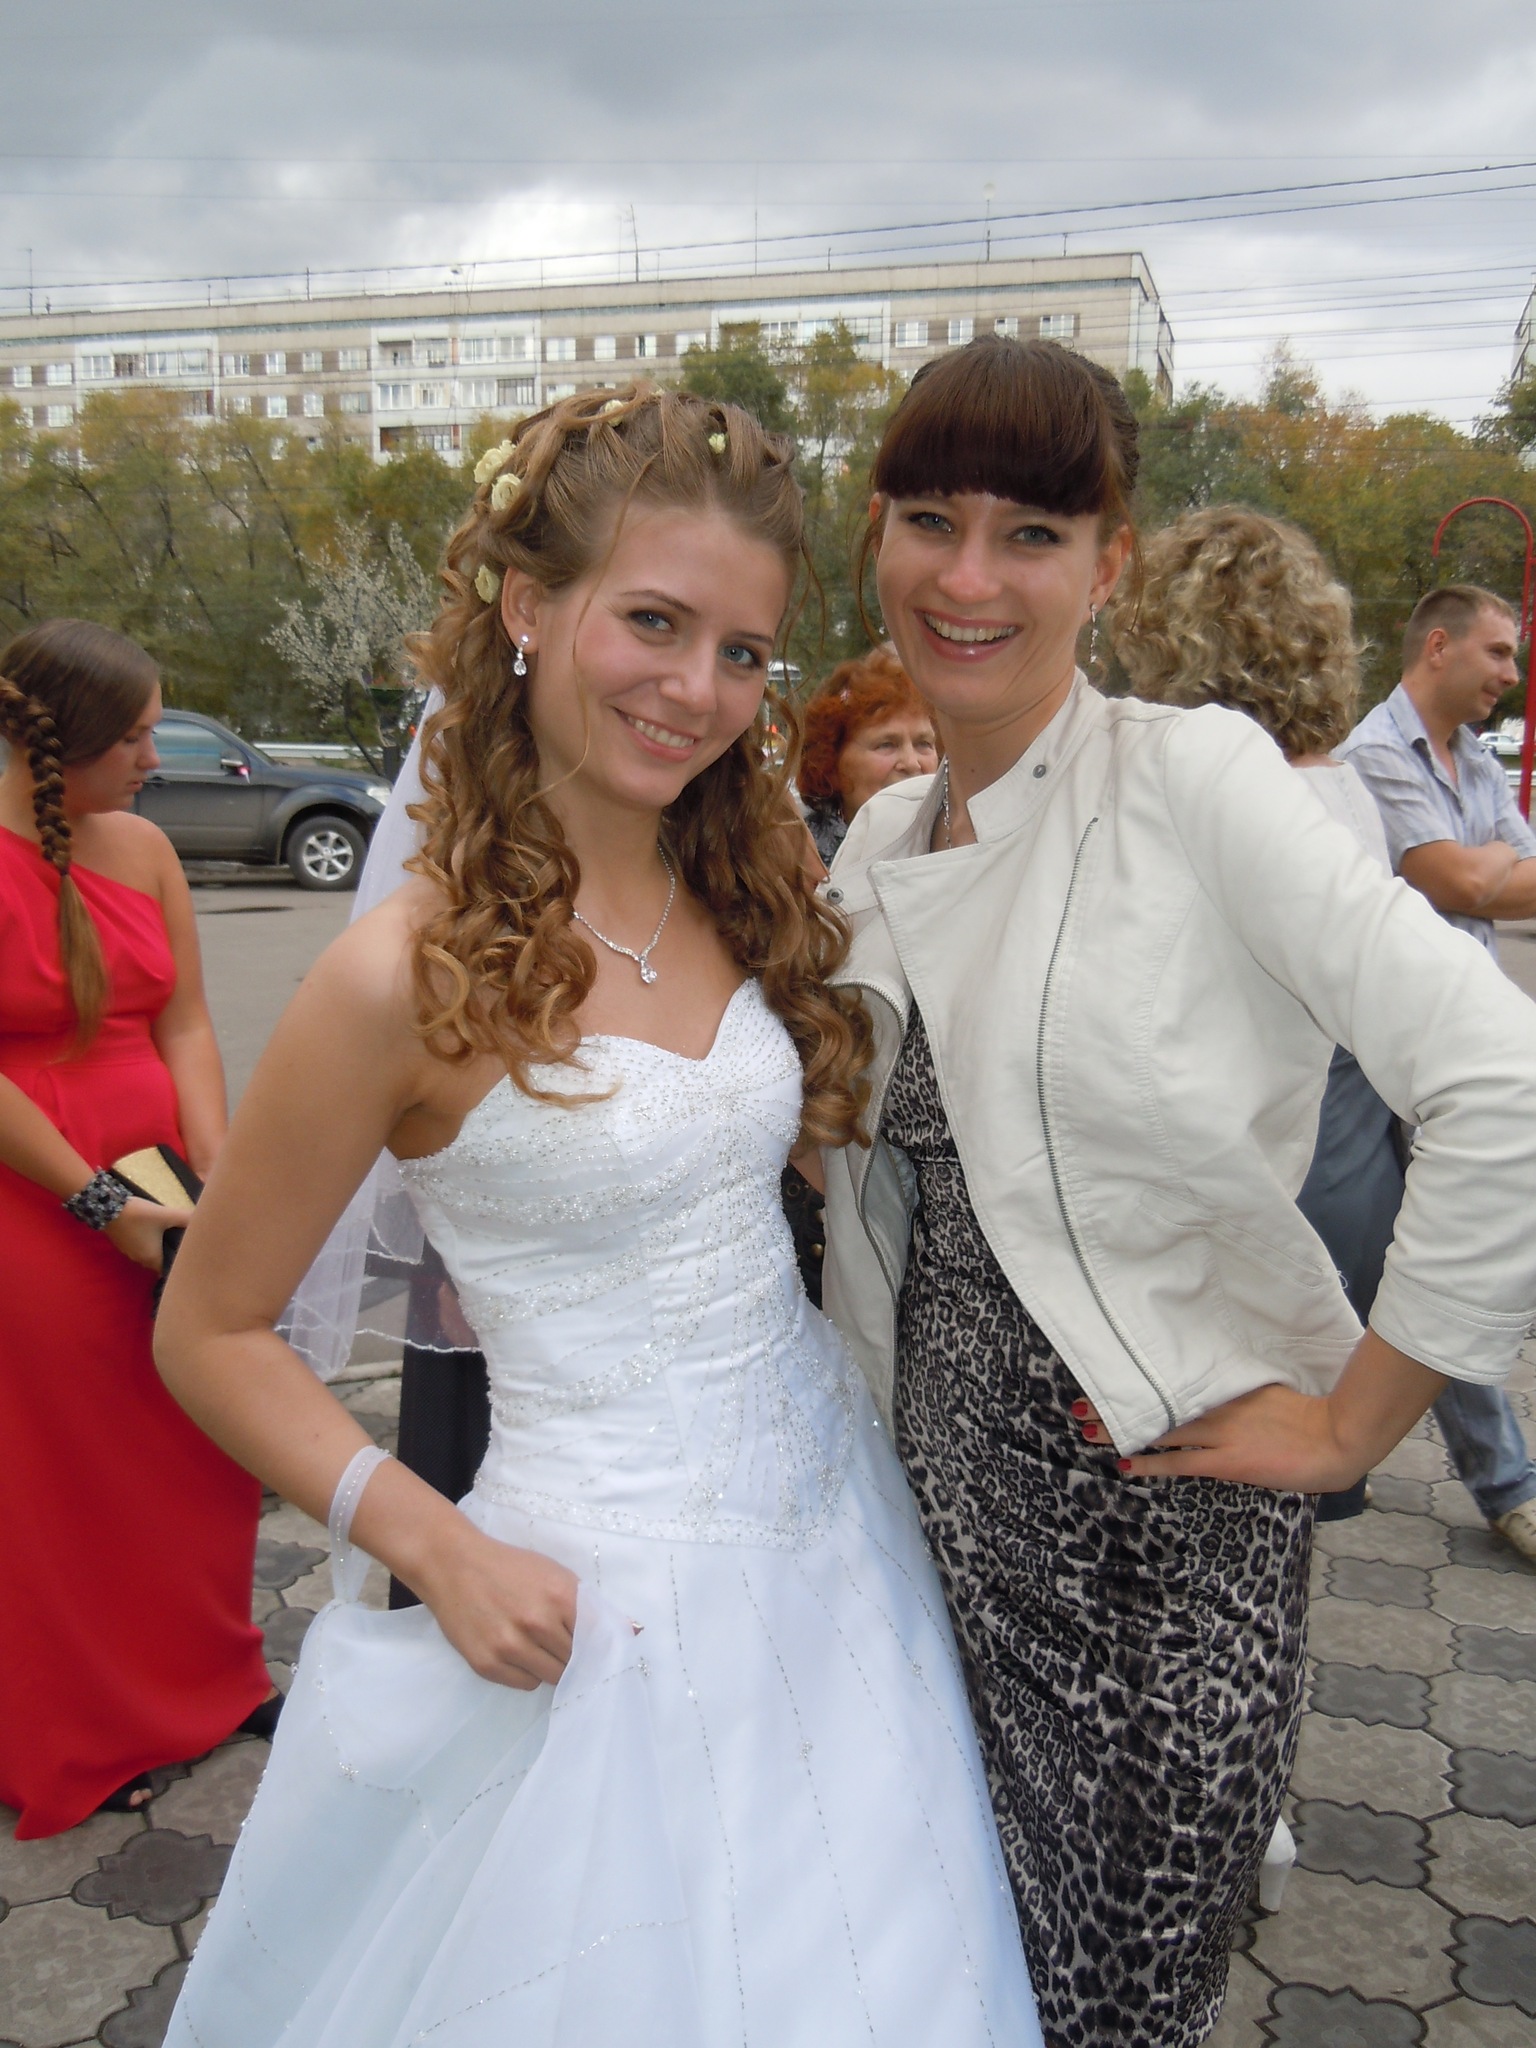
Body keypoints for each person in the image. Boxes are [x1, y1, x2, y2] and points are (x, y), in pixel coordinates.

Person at [153, 387, 1042, 2046]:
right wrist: (432, 1543)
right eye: (652, 621)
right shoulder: (396, 977)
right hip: (590, 1595)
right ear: (525, 604)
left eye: (742, 651)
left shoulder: (747, 887)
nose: (696, 688)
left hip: (839, 1538)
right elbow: (206, 1330)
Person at [818, 337, 1536, 2048]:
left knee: (1107, 2004)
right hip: (928, 1538)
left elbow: (1500, 1080)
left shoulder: (1190, 776)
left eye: (1033, 533)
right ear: (877, 537)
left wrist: (1357, 1424)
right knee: (946, 1986)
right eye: (931, 521)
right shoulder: (878, 843)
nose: (970, 578)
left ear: (1109, 565)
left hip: (1154, 1541)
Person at [0, 620, 273, 1840]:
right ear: (51, 746)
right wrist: (100, 1201)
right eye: (135, 737)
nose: (156, 758)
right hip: (33, 1200)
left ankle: (212, 1679)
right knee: (65, 1471)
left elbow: (186, 1021)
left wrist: (216, 1171)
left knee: (197, 1437)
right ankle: (79, 1727)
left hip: (166, 1173)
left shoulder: (148, 847)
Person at [1116, 504, 1404, 1522]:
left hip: (1266, 1201)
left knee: (1227, 1498)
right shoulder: (1344, 791)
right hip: (1351, 1170)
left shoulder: (1236, 807)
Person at [1337, 585, 1536, 1561]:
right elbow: (1458, 880)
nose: (1511, 674)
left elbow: (1508, 878)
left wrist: (1480, 869)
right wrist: (1483, 869)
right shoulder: (1375, 754)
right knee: (1385, 1249)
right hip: (1372, 1049)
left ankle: (1488, 1477)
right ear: (1441, 645)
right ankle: (1495, 1481)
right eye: (1499, 653)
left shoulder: (1478, 762)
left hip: (1455, 1045)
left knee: (1425, 1253)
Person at [798, 644, 937, 866]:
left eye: (924, 744)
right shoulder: (797, 864)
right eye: (886, 745)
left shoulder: (958, 850)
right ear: (831, 764)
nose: (912, 763)